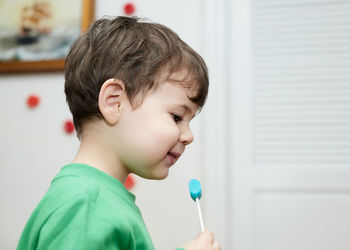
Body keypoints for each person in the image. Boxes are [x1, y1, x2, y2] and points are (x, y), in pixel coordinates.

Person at [17, 16, 220, 250]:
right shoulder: (87, 205)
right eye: (176, 117)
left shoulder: (95, 198)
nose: (188, 136)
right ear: (114, 102)